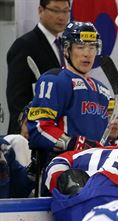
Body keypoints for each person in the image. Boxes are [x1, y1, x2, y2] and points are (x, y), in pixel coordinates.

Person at [27, 21, 111, 165]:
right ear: (67, 50)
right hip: (64, 166)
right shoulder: (53, 80)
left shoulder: (103, 91)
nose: (87, 54)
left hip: (96, 167)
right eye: (80, 47)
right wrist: (71, 143)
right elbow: (38, 128)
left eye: (92, 47)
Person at [5, 0, 70, 134]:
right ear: (40, 10)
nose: (61, 17)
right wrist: (24, 125)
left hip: (58, 133)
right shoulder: (25, 45)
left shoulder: (64, 45)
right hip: (30, 136)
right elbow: (17, 97)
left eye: (65, 11)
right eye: (56, 10)